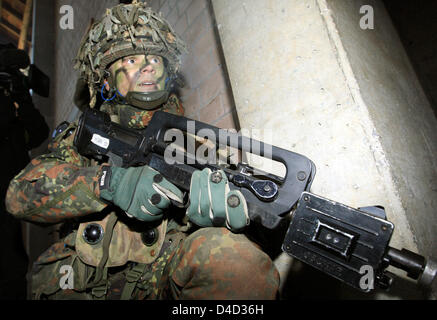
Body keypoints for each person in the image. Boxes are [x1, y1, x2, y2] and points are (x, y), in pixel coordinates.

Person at [5, 1, 279, 300]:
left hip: (163, 279)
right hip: (85, 283)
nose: (147, 65)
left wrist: (227, 218)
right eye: (132, 60)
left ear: (167, 72)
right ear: (107, 78)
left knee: (233, 259)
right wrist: (107, 183)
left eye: (154, 59)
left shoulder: (198, 146)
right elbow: (20, 196)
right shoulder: (85, 137)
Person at [0, 43, 50, 299]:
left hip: (9, 210)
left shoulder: (12, 131)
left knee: (13, 268)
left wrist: (21, 94)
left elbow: (39, 133)